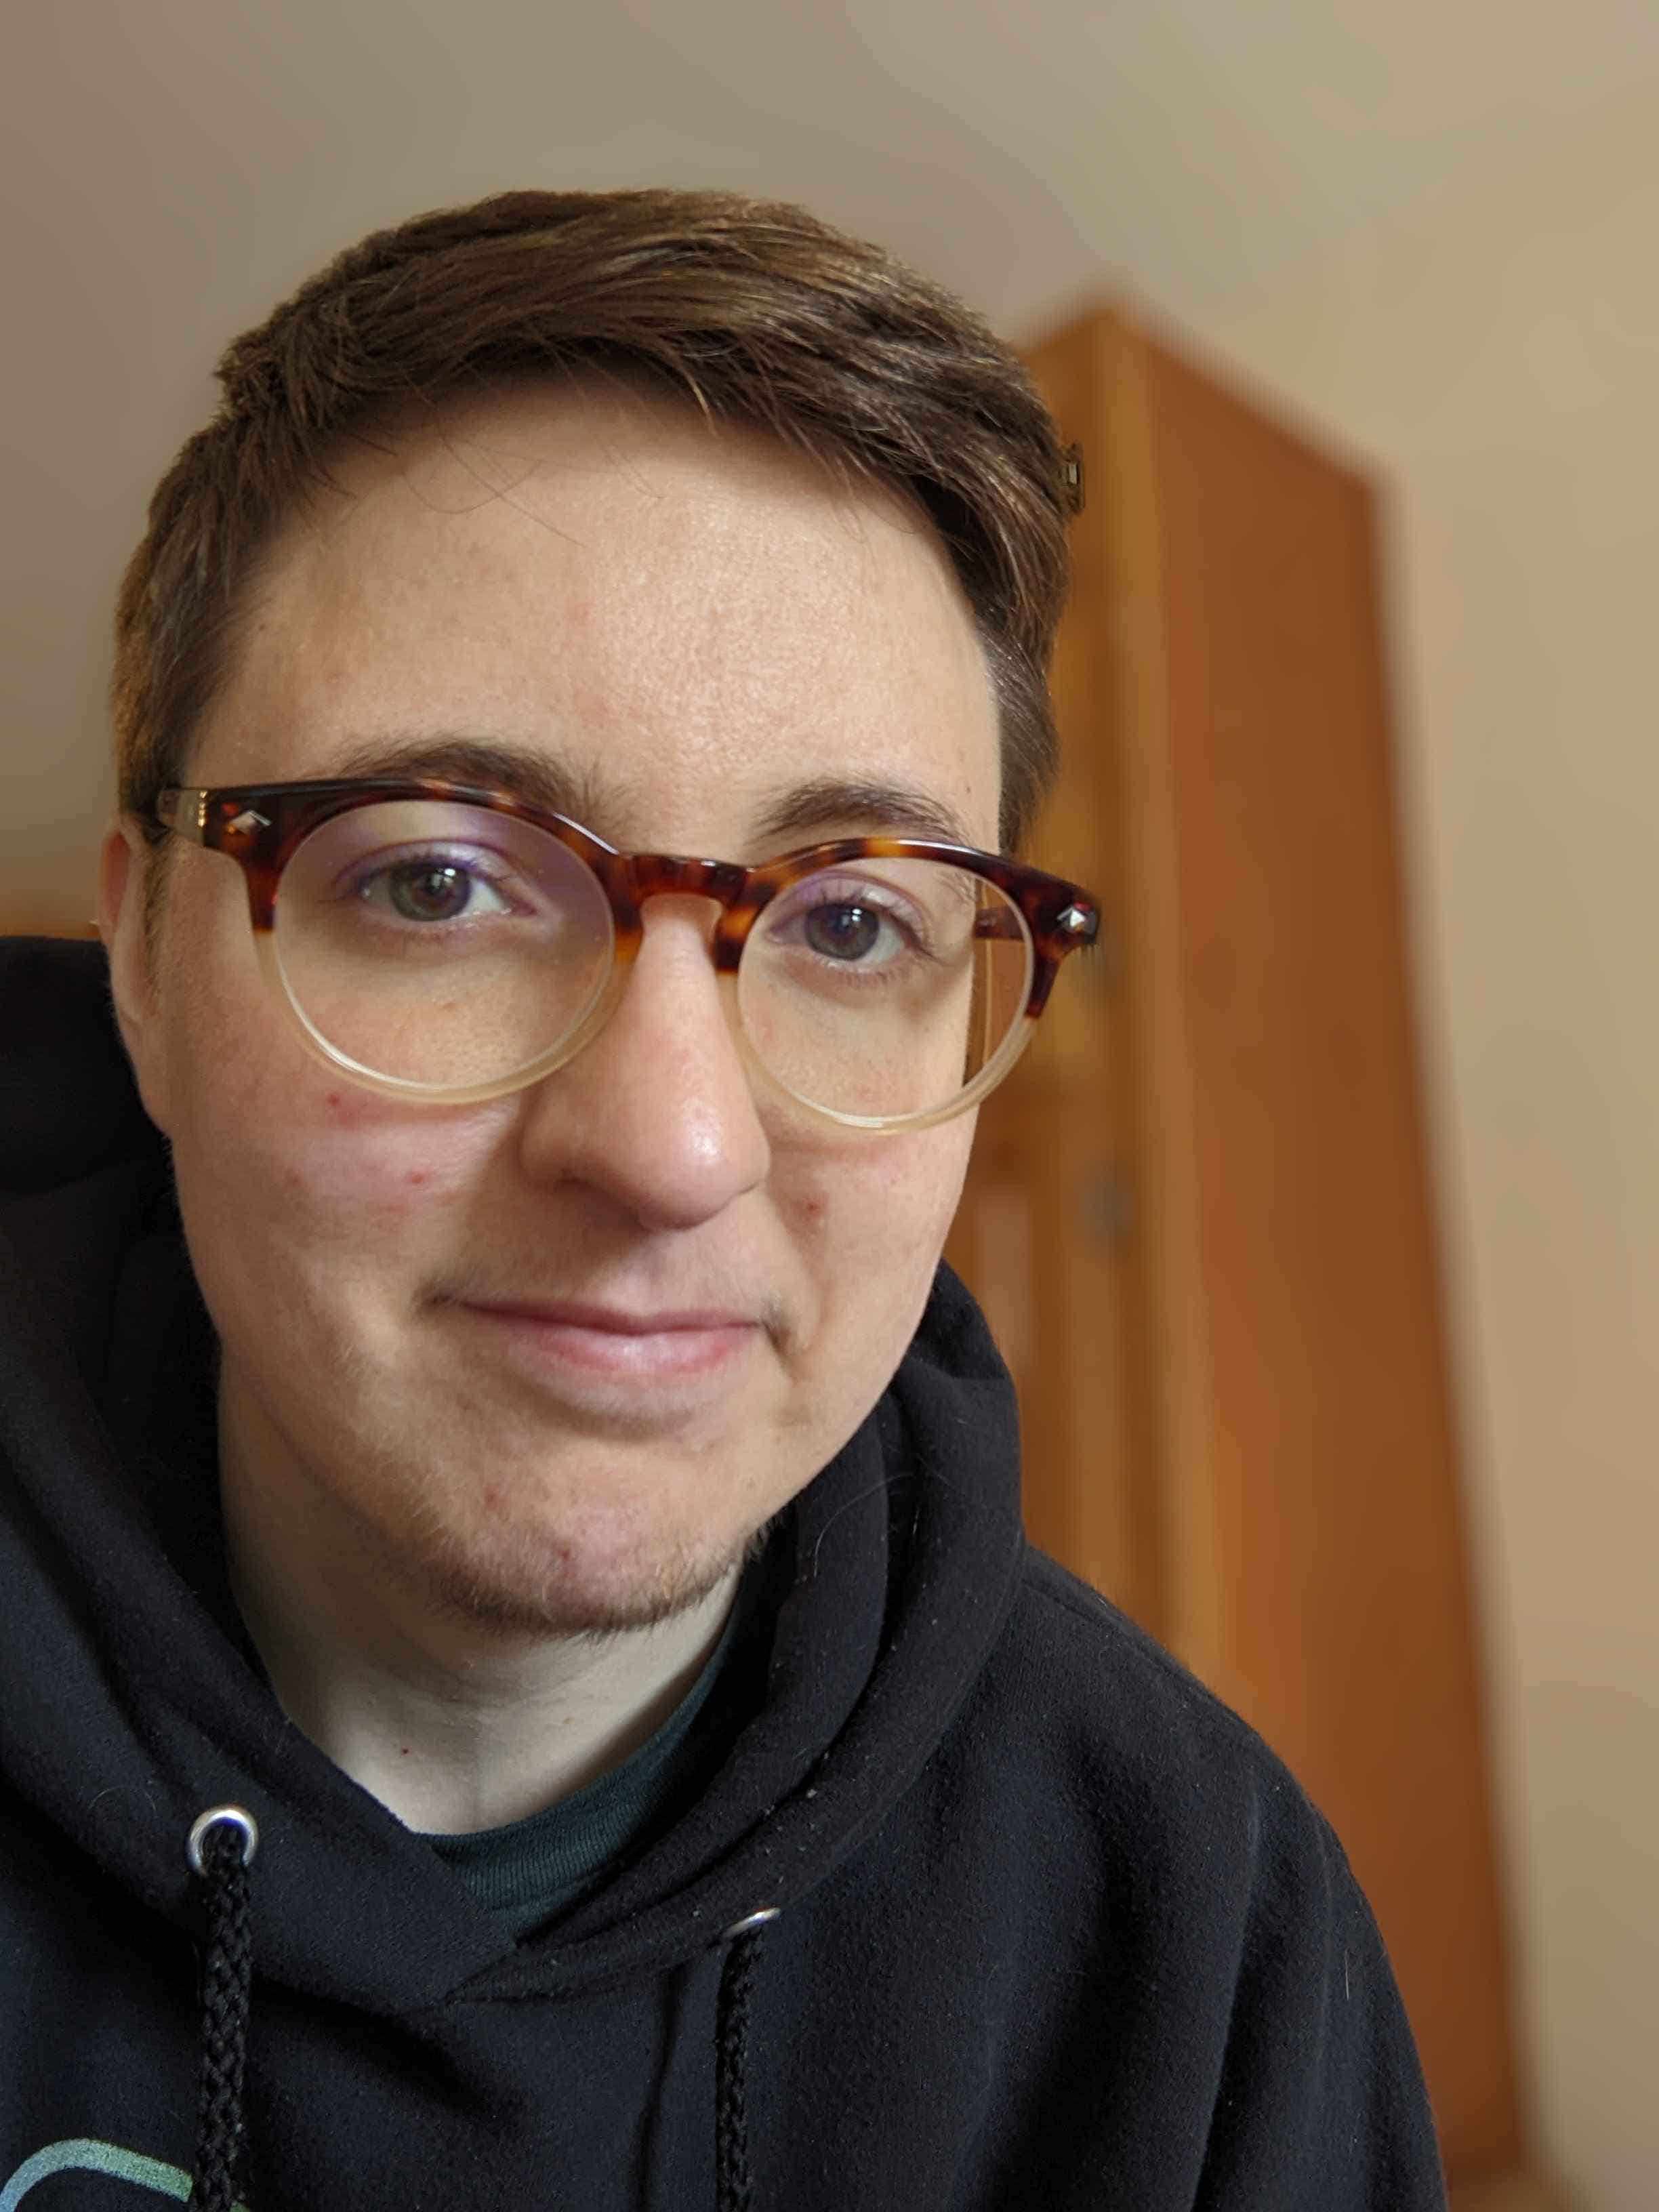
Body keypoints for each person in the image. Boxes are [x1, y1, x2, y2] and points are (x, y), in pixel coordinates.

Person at [0, 190, 1446, 2210]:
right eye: (438, 879)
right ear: (145, 966)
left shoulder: (1200, 1946)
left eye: (851, 923)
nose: (674, 1147)